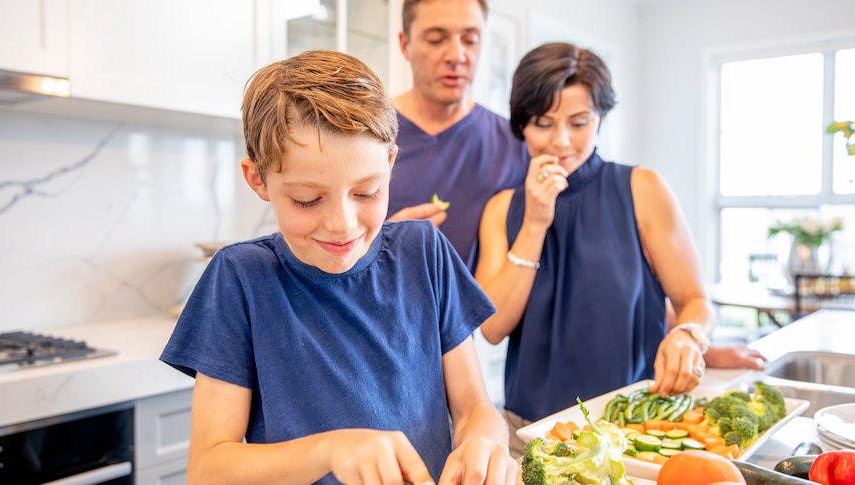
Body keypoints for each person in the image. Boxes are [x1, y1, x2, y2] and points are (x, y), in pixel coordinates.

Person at [160, 50, 516, 484]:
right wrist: (331, 449)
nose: (342, 224)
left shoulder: (424, 252)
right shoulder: (240, 278)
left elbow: (475, 409)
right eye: (307, 200)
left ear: (390, 164)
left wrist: (483, 441)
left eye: (367, 192)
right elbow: (208, 470)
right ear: (258, 179)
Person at [472, 42, 718, 457]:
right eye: (543, 123)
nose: (561, 141)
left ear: (600, 116)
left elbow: (695, 301)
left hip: (634, 430)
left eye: (579, 122)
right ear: (521, 125)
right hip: (529, 435)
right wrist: (534, 222)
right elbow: (493, 328)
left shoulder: (642, 190)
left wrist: (688, 336)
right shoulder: (502, 209)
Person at [387, 0, 528, 267]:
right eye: (436, 39)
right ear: (405, 44)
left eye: (470, 40)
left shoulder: (515, 143)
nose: (456, 56)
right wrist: (379, 242)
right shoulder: (366, 136)